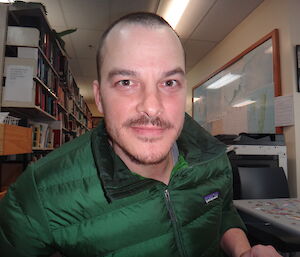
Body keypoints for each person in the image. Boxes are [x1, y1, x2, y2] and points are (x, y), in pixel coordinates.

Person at [0, 12, 281, 257]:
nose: (151, 105)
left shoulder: (213, 156)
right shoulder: (41, 192)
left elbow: (221, 215)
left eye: (169, 82)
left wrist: (243, 251)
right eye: (126, 82)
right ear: (99, 97)